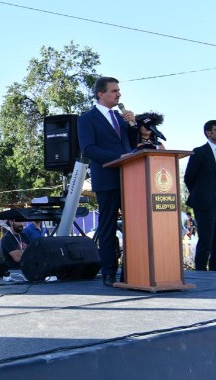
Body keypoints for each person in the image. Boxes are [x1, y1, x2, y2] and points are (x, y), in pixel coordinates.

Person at [77, 76, 138, 286]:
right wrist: (117, 159)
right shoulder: (87, 118)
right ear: (101, 94)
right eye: (114, 91)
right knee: (108, 226)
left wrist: (132, 126)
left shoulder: (121, 118)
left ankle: (133, 271)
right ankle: (109, 272)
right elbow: (89, 149)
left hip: (130, 177)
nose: (118, 94)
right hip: (107, 177)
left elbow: (131, 145)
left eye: (119, 90)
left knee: (134, 225)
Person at [184, 120, 216, 271]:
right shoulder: (199, 152)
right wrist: (201, 193)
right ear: (208, 133)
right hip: (204, 202)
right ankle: (201, 273)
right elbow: (189, 178)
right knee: (206, 240)